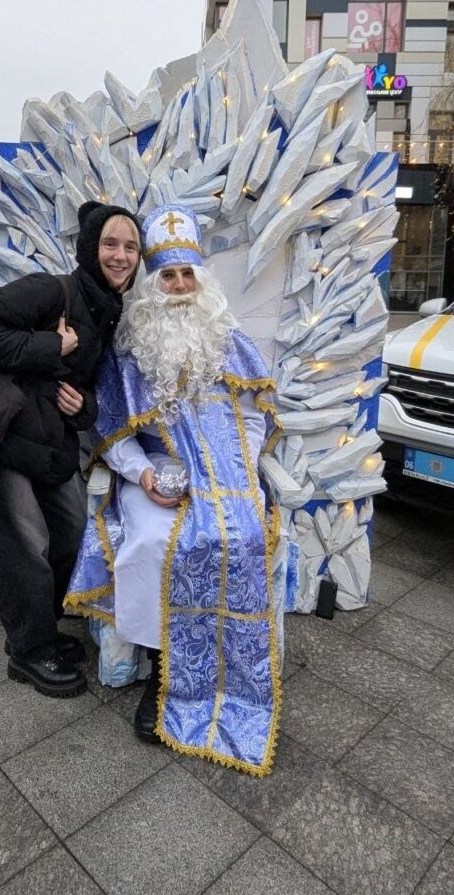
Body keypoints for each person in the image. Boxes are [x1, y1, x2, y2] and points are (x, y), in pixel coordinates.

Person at [65, 204, 281, 776]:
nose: (180, 286)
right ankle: (165, 670)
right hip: (158, 475)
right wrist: (144, 477)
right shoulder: (128, 349)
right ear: (152, 284)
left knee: (243, 536)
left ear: (201, 280)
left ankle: (233, 674)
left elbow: (255, 414)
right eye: (168, 276)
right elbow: (112, 434)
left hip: (229, 476)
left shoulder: (229, 340)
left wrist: (243, 469)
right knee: (159, 542)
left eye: (187, 275)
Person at [0, 201, 141, 698]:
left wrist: (82, 408)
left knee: (72, 532)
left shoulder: (107, 311)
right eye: (110, 244)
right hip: (4, 441)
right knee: (21, 544)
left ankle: (42, 629)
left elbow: (83, 391)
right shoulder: (49, 289)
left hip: (51, 444)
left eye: (130, 246)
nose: (120, 255)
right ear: (90, 248)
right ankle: (28, 650)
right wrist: (49, 347)